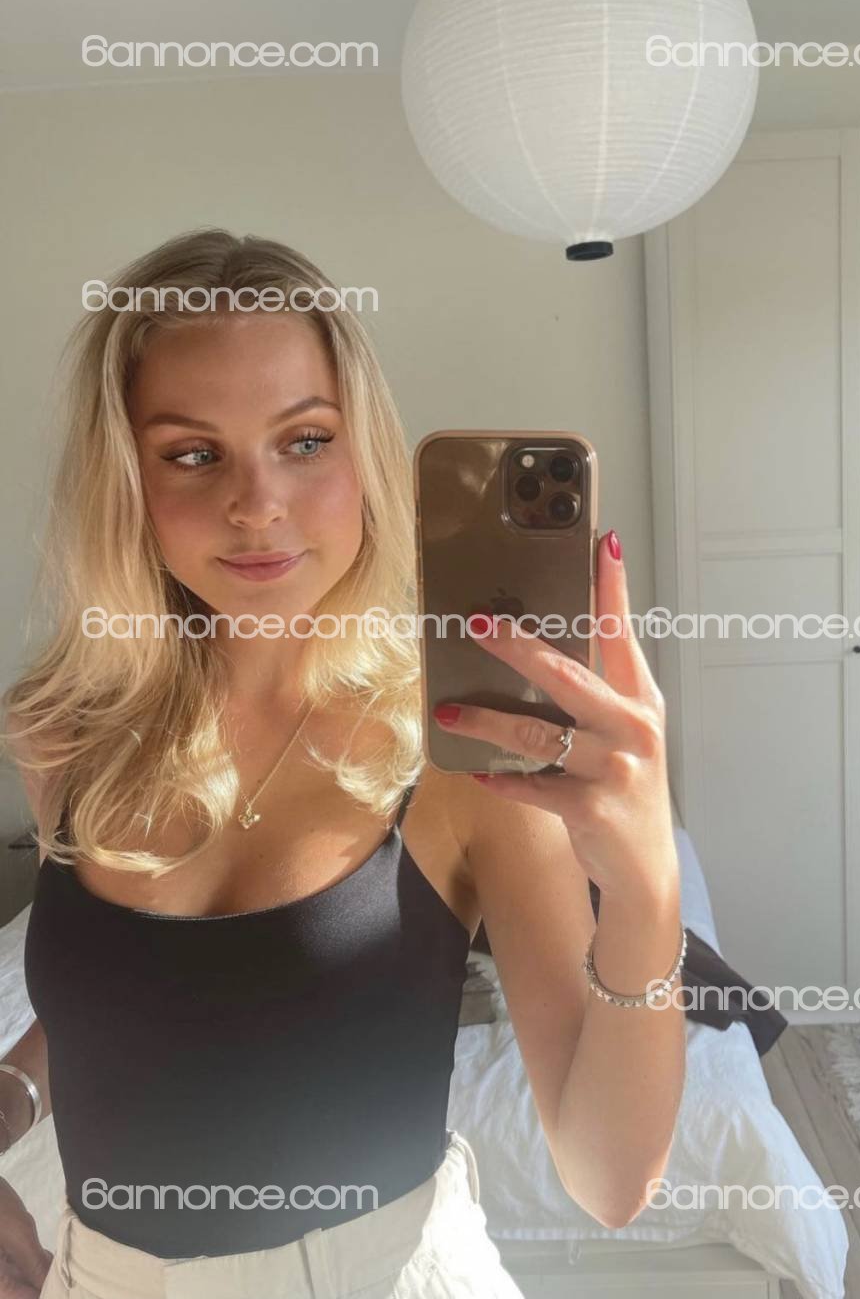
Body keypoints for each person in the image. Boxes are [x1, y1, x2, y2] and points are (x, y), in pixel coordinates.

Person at [0, 229, 686, 1299]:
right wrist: (14, 1089)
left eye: (306, 440)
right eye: (192, 453)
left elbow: (609, 1178)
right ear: (123, 477)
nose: (258, 502)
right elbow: (155, 983)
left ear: (364, 451)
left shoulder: (456, 747)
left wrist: (645, 880)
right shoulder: (65, 733)